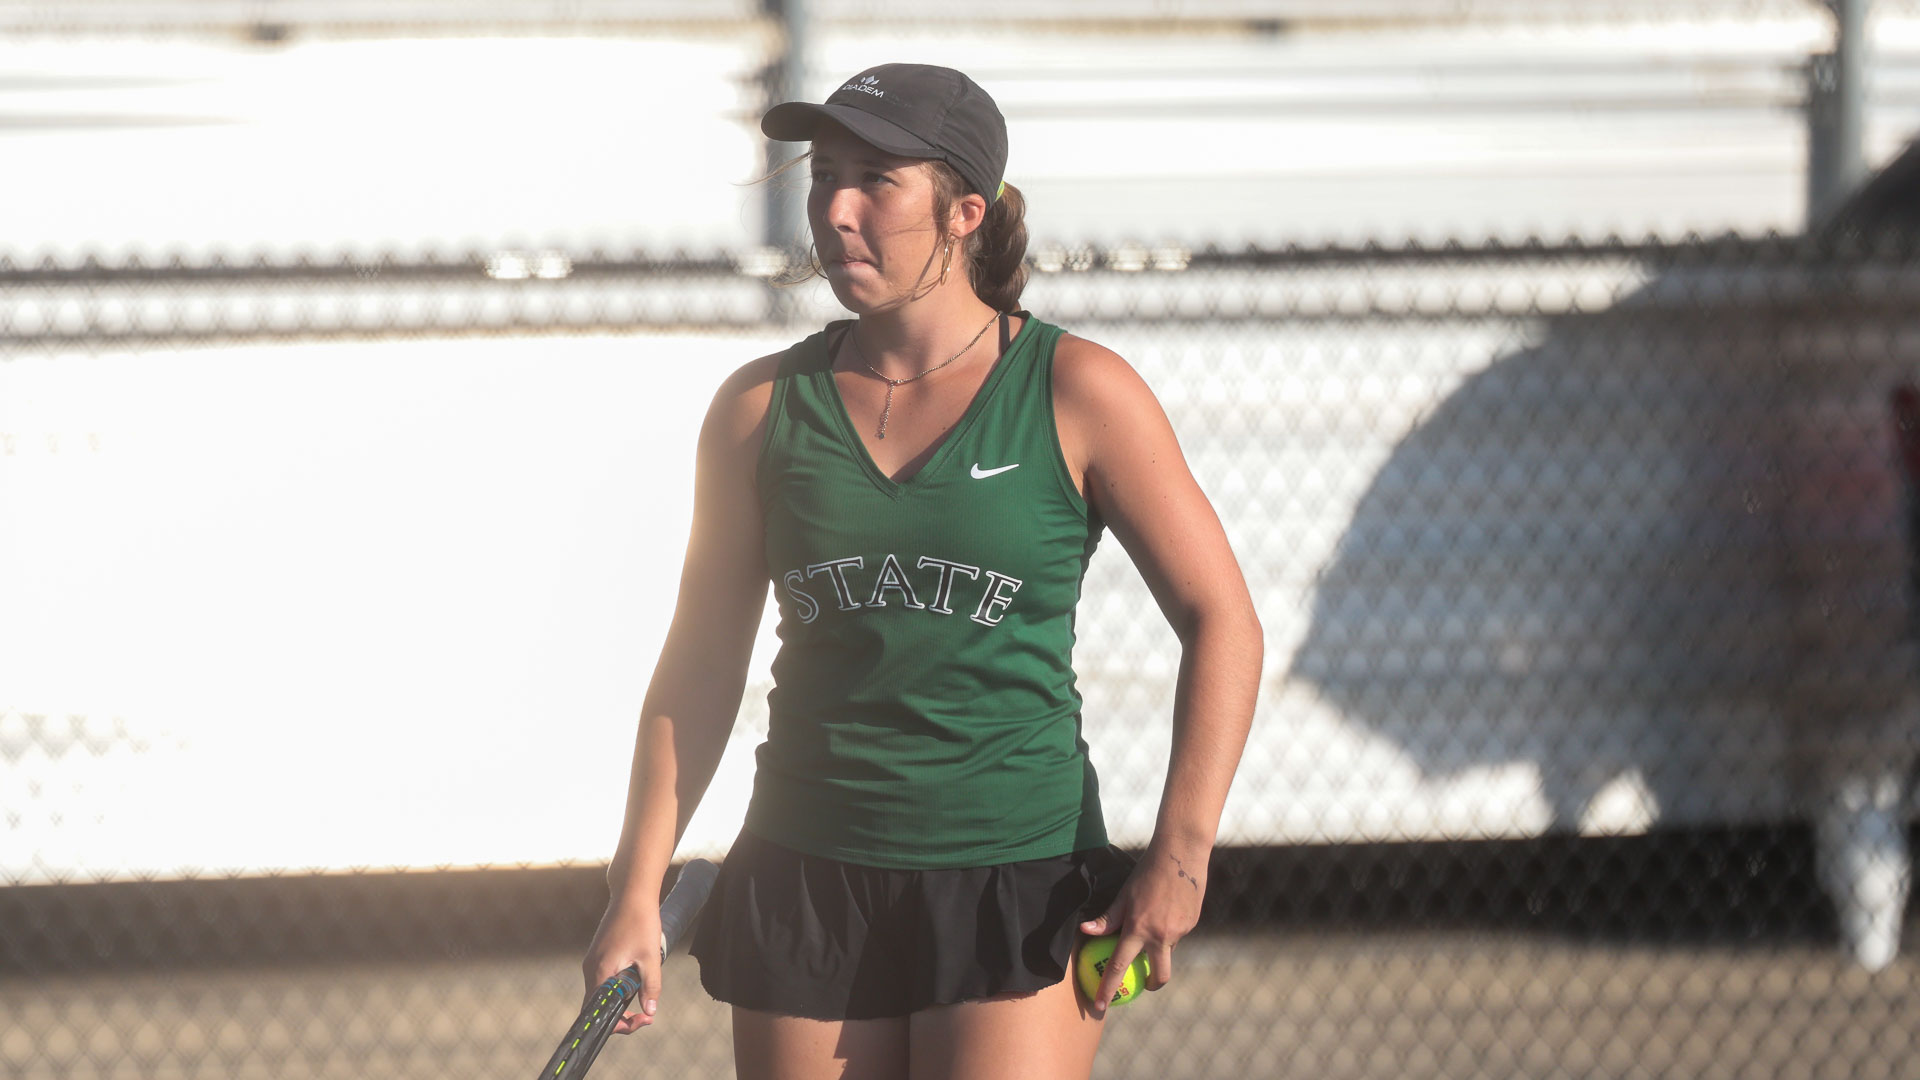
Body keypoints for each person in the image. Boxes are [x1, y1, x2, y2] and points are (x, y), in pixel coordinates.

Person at [582, 62, 1263, 1080]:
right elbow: (701, 664)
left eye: (876, 180)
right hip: (805, 876)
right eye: (823, 176)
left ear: (964, 213)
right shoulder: (759, 410)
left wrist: (1181, 857)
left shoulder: (1078, 390)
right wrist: (634, 890)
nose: (836, 210)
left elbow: (1223, 621)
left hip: (1013, 878)